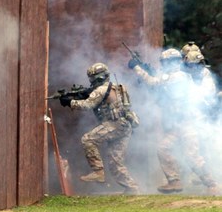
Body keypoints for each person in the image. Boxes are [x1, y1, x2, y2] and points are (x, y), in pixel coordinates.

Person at [128, 48, 218, 194]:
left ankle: (212, 184)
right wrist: (145, 69)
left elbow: (153, 82)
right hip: (178, 125)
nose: (163, 65)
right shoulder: (173, 76)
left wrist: (137, 68)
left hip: (187, 123)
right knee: (163, 149)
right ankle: (174, 181)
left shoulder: (179, 76)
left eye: (165, 62)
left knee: (192, 157)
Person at [59, 63, 140, 195]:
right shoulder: (119, 87)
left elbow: (87, 105)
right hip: (126, 125)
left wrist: (70, 102)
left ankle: (98, 172)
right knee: (115, 163)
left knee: (87, 139)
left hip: (115, 124)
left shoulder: (101, 90)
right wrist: (83, 94)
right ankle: (132, 189)